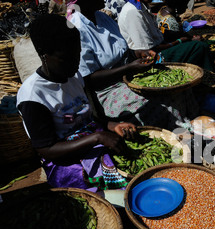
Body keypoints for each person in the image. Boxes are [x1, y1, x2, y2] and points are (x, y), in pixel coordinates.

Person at [16, 13, 137, 193]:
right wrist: (97, 137)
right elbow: (46, 149)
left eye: (78, 54)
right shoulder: (33, 96)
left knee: (135, 159)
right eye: (66, 58)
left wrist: (112, 125)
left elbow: (87, 118)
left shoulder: (73, 75)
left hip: (91, 141)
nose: (75, 63)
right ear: (44, 55)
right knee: (121, 190)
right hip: (65, 161)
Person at [68, 0, 201, 131]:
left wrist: (137, 53)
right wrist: (129, 67)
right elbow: (88, 78)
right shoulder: (76, 27)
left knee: (179, 82)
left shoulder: (101, 17)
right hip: (109, 91)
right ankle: (178, 133)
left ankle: (195, 122)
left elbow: (122, 49)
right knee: (164, 94)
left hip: (130, 76)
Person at [118, 0, 214, 70]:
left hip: (159, 46)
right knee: (199, 46)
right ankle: (207, 80)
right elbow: (149, 50)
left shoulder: (142, 6)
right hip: (154, 59)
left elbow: (156, 35)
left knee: (190, 41)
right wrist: (178, 41)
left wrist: (181, 37)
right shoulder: (133, 12)